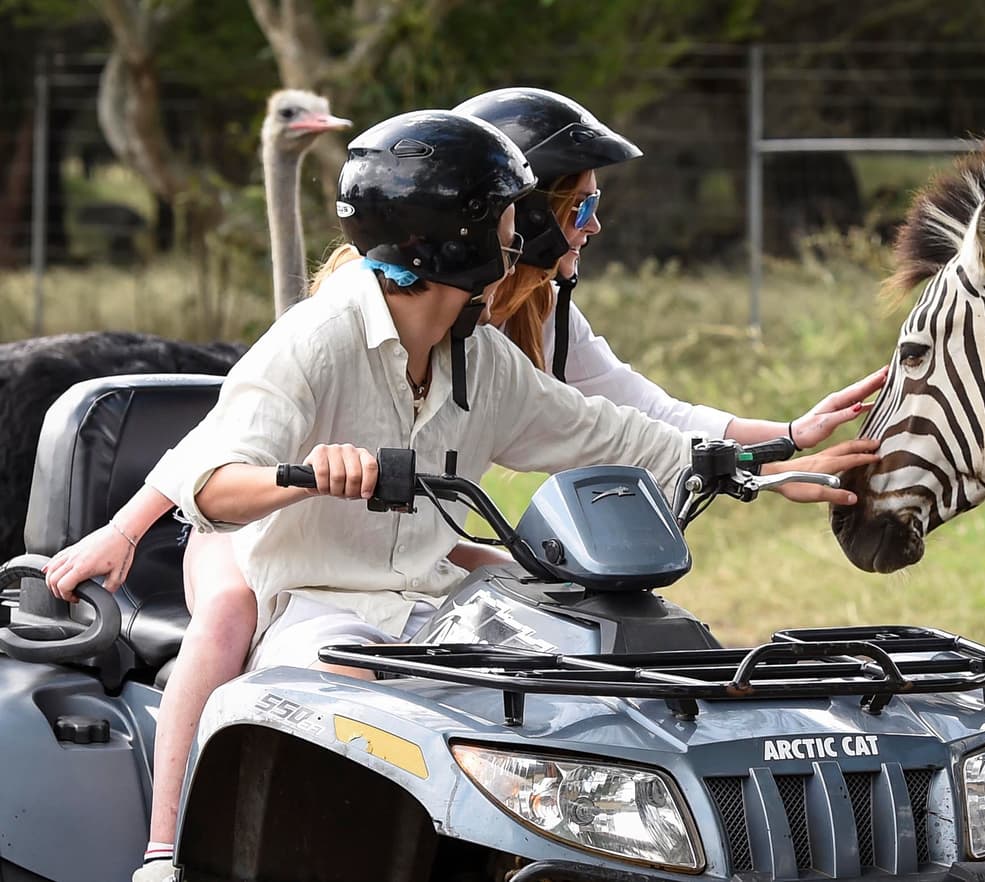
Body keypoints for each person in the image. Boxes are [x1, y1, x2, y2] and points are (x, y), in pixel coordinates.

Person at [43, 98, 882, 882]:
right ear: (463, 237)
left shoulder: (483, 356)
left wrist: (765, 465)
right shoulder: (318, 338)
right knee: (375, 709)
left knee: (582, 664)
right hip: (312, 602)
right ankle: (168, 856)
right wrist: (305, 477)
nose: (531, 239)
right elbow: (216, 482)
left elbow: (619, 431)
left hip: (432, 600)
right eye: (514, 222)